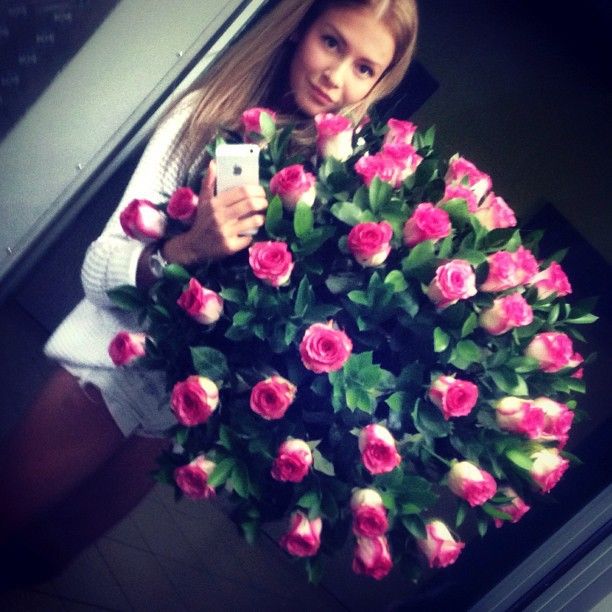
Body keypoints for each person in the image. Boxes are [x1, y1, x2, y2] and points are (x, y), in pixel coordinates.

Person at [0, 0, 418, 585]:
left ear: (379, 83)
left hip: (178, 422)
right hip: (108, 378)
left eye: (364, 67)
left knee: (44, 562)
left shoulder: (344, 185)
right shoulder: (206, 115)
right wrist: (187, 249)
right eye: (332, 41)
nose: (336, 76)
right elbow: (98, 269)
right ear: (299, 28)